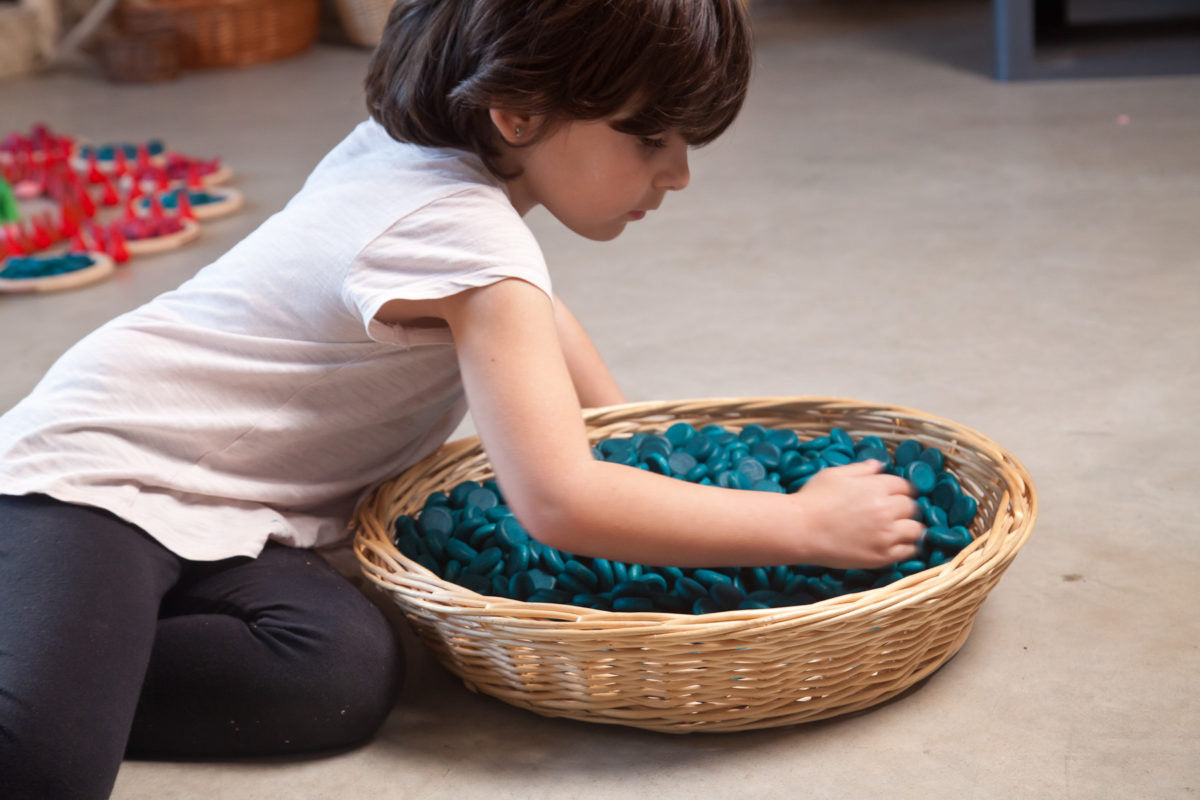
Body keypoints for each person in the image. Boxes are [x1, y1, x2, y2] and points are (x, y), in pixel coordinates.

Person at [0, 1, 924, 797]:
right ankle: (55, 672)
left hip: (236, 514)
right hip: (98, 482)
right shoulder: (458, 233)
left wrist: (634, 444)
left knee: (344, 674)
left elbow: (544, 323)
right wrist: (802, 526)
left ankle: (75, 662)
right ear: (517, 110)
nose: (677, 172)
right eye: (650, 138)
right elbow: (560, 500)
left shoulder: (424, 163)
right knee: (45, 768)